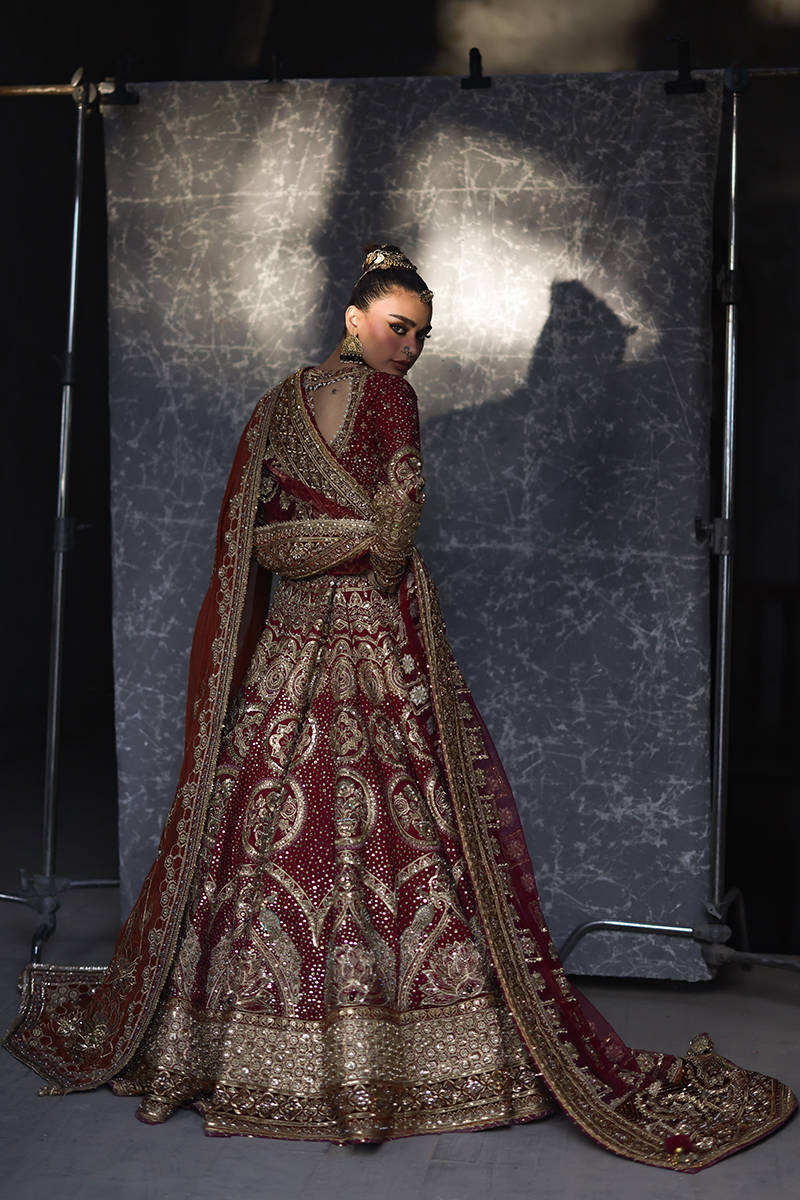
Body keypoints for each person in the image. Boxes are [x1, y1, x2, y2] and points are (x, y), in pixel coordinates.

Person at [4, 246, 796, 1170]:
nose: (410, 349)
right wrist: (363, 549)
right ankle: (403, 1050)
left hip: (285, 640)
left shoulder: (277, 406)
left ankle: (212, 1039)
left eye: (421, 335)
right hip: (367, 634)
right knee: (394, 816)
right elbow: (394, 530)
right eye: (398, 327)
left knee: (264, 811)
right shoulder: (387, 400)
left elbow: (260, 538)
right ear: (354, 318)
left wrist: (311, 541)